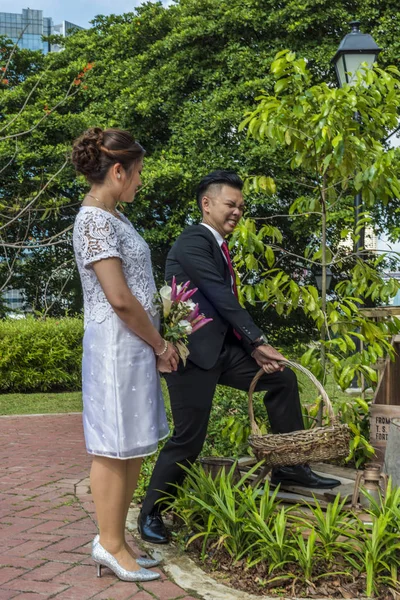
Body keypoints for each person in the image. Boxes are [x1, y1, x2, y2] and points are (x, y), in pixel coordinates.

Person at [138, 170, 340, 544]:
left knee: (281, 378)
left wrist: (251, 349)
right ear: (207, 203)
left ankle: (290, 467)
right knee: (189, 440)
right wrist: (258, 340)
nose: (237, 212)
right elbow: (219, 295)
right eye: (230, 204)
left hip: (224, 351)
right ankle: (151, 512)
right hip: (191, 356)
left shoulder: (218, 245)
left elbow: (225, 306)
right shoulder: (193, 241)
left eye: (241, 207)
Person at [72, 127, 179, 581]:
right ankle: (110, 545)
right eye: (137, 173)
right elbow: (117, 296)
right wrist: (160, 342)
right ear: (118, 171)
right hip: (117, 346)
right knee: (113, 446)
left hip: (132, 345)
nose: (140, 181)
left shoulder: (115, 217)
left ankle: (116, 538)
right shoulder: (94, 221)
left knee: (131, 444)